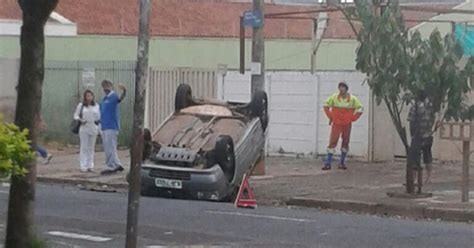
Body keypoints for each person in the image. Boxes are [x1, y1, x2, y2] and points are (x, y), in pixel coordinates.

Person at [322, 81, 363, 170]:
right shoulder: (334, 97)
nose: (341, 89)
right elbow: (325, 105)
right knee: (333, 141)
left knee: (345, 141)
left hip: (346, 124)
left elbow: (360, 108)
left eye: (343, 87)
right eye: (340, 87)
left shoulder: (352, 99)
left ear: (346, 89)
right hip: (336, 123)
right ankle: (328, 163)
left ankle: (342, 162)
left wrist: (353, 118)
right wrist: (331, 116)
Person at [99, 80, 127, 175]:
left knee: (110, 146)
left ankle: (111, 166)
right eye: (104, 86)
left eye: (107, 86)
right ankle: (116, 163)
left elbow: (120, 98)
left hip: (111, 125)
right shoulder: (104, 99)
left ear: (111, 86)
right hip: (104, 126)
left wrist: (124, 91)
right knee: (109, 146)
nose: (105, 88)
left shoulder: (113, 96)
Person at [407, 91, 435, 184]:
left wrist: (412, 134)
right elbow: (433, 119)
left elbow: (411, 122)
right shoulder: (430, 107)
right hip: (428, 134)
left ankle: (415, 178)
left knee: (415, 158)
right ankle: (429, 177)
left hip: (417, 135)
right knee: (428, 156)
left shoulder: (414, 107)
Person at [74, 90, 101, 172]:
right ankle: (83, 165)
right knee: (84, 146)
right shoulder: (81, 105)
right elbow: (75, 115)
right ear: (85, 97)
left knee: (91, 147)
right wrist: (80, 119)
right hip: (84, 127)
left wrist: (98, 124)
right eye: (87, 96)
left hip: (93, 127)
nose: (89, 97)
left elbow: (99, 116)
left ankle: (90, 165)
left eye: (90, 96)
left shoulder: (96, 105)